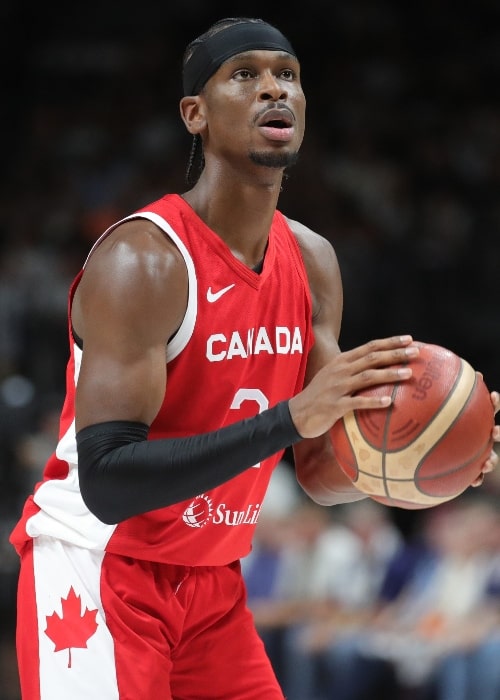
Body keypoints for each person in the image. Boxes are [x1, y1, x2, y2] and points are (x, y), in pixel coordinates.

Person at [9, 16, 499, 700]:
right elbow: (109, 482)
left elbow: (324, 470)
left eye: (288, 76)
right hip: (100, 565)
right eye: (246, 75)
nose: (275, 89)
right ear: (195, 114)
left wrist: (431, 463)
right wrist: (288, 420)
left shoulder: (314, 261)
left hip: (212, 579)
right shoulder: (143, 260)